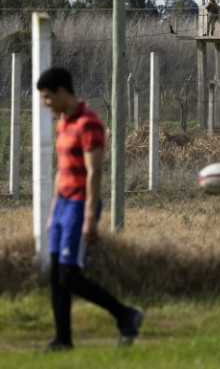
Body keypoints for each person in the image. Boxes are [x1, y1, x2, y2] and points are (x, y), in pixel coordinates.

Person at [36, 67, 143, 352]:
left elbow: (94, 173)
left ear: (61, 91)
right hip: (62, 208)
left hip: (80, 206)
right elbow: (61, 171)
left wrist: (88, 217)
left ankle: (126, 315)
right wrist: (51, 215)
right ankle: (63, 340)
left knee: (69, 275)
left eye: (47, 97)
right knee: (56, 276)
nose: (45, 103)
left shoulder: (89, 123)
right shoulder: (63, 123)